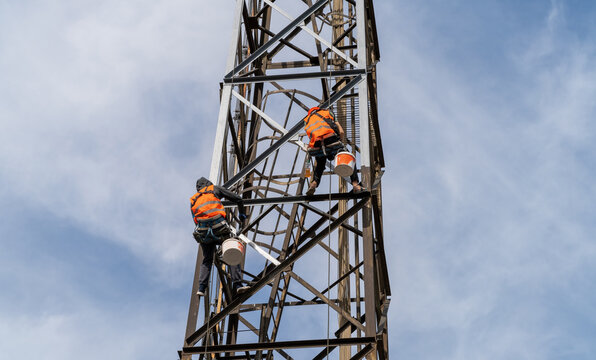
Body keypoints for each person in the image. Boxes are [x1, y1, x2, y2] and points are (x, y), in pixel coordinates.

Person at [190, 177, 249, 296]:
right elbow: (238, 199)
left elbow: (195, 219)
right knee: (232, 248)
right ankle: (237, 284)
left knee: (207, 259)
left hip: (203, 231)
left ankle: (201, 288)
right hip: (219, 227)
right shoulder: (214, 189)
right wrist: (242, 214)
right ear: (208, 184)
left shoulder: (194, 198)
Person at [304, 106, 362, 195]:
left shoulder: (307, 120)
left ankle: (314, 184)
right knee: (348, 156)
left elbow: (311, 136)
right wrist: (341, 142)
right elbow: (341, 131)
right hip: (331, 140)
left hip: (317, 145)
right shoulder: (327, 112)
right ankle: (355, 184)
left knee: (320, 164)